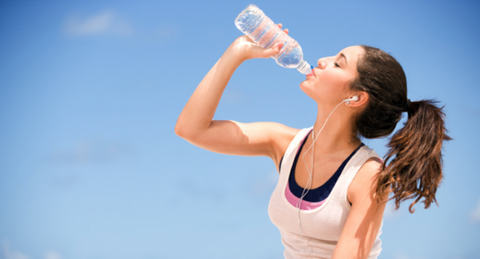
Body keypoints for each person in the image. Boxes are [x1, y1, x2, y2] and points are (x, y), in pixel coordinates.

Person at [174, 25, 450, 259]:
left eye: (338, 63)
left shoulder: (366, 175)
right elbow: (191, 129)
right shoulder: (283, 143)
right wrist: (236, 53)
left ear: (355, 98)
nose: (322, 59)